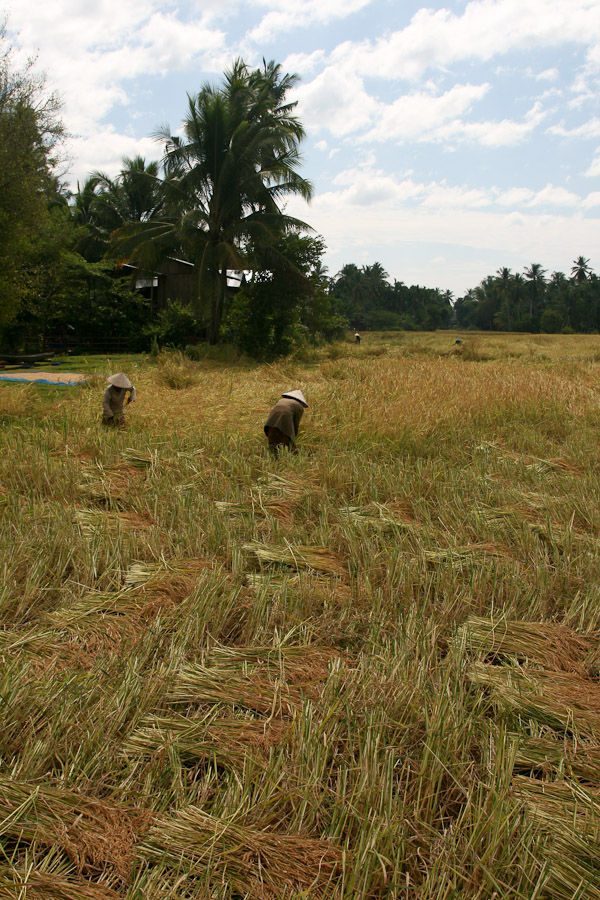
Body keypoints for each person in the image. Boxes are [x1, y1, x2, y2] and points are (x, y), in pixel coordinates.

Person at [264, 389, 308, 455]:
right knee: (289, 442)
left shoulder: (281, 400)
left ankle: (273, 456)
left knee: (273, 440)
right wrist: (293, 436)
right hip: (285, 417)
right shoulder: (299, 406)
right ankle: (292, 456)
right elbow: (295, 422)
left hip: (271, 419)